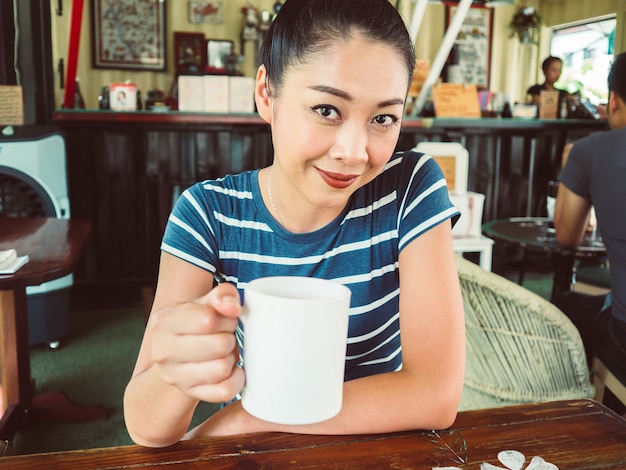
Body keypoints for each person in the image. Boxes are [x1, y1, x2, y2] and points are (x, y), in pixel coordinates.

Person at [124, 0, 465, 447]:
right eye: (327, 109)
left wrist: (245, 420)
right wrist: (177, 374)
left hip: (379, 449)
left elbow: (435, 395)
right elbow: (146, 427)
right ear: (267, 94)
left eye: (383, 118)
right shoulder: (207, 214)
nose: (354, 151)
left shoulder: (409, 189)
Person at [553, 52, 626, 380]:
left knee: (563, 308)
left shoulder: (590, 150)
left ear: (613, 101)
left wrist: (570, 167)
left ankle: (589, 415)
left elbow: (567, 236)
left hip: (622, 335)